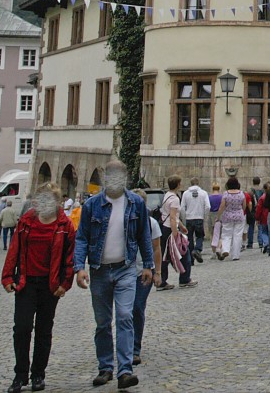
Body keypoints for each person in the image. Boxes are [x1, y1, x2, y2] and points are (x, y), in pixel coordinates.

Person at [73, 160, 154, 390]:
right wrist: (79, 267)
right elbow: (82, 238)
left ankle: (125, 370)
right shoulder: (92, 205)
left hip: (125, 268)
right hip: (99, 270)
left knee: (125, 316)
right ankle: (105, 367)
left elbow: (143, 236)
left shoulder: (135, 203)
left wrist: (148, 265)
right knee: (102, 322)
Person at [2, 182, 74, 393]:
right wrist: (7, 276)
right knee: (22, 328)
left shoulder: (64, 225)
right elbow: (14, 249)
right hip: (26, 281)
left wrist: (65, 283)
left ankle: (38, 375)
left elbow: (69, 257)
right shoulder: (26, 222)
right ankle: (20, 374)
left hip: (50, 284)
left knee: (44, 330)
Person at [129, 190, 162, 368]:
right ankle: (126, 345)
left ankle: (134, 348)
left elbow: (156, 248)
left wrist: (157, 272)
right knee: (124, 311)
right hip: (124, 271)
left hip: (144, 271)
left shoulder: (152, 223)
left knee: (137, 307)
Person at [156, 176, 194, 290]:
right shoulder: (175, 199)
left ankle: (162, 281)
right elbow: (172, 217)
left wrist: (182, 226)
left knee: (165, 255)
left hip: (164, 228)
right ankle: (184, 279)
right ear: (178, 184)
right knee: (184, 253)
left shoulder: (167, 195)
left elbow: (171, 216)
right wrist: (175, 233)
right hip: (170, 229)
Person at [216, 177, 247, 261]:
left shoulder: (226, 194)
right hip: (239, 216)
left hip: (227, 216)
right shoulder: (241, 194)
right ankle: (235, 255)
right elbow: (244, 206)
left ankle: (225, 250)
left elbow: (222, 207)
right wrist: (240, 211)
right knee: (237, 235)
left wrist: (218, 216)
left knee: (226, 235)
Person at [179, 177, 209, 265]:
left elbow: (182, 208)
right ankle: (197, 249)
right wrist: (204, 216)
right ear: (198, 183)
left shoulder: (185, 193)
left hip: (189, 218)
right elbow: (208, 206)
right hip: (199, 217)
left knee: (189, 238)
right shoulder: (203, 193)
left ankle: (190, 259)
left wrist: (184, 218)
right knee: (200, 236)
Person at [245, 177, 262, 250]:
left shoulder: (250, 191)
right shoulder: (262, 190)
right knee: (260, 227)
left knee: (251, 227)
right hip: (260, 210)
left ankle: (250, 243)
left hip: (252, 211)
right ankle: (261, 242)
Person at [255, 183, 270, 254]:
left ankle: (266, 243)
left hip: (264, 217)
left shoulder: (262, 198)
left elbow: (259, 209)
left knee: (264, 232)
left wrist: (257, 218)